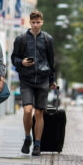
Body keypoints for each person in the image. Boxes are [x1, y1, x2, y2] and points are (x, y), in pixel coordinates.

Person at [11, 10, 56, 156]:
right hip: (27, 79)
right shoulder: (21, 39)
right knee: (27, 110)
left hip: (42, 79)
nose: (36, 25)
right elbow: (14, 58)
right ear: (30, 22)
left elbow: (51, 61)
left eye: (38, 22)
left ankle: (37, 144)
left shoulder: (48, 39)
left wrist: (52, 80)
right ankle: (27, 137)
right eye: (33, 22)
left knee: (39, 113)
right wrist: (22, 62)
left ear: (42, 22)